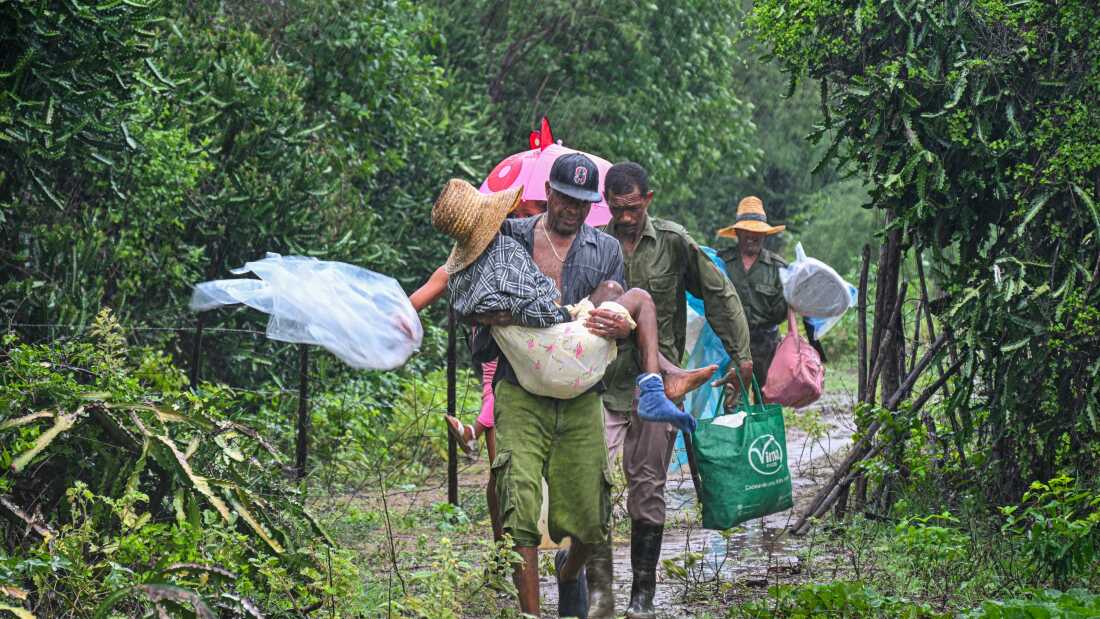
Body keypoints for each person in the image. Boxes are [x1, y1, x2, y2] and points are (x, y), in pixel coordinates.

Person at [457, 153, 623, 618]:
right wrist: (499, 316)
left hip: (580, 395)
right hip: (520, 392)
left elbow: (618, 317)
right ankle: (531, 613)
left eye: (584, 202)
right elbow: (467, 296)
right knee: (520, 506)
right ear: (547, 193)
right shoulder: (510, 237)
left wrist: (619, 328)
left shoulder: (605, 250)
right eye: (566, 198)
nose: (573, 209)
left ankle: (570, 571)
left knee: (591, 517)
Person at [598, 161, 754, 619]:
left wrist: (741, 356)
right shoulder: (595, 246)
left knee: (647, 488)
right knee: (592, 485)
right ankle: (596, 589)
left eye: (632, 207)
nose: (625, 217)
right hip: (602, 386)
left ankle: (640, 596)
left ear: (648, 199)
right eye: (616, 209)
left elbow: (718, 293)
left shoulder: (672, 243)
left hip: (658, 388)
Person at [716, 196, 789, 388]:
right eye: (747, 231)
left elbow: (786, 309)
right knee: (732, 400)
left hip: (766, 346)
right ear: (738, 233)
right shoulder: (720, 263)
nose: (752, 236)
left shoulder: (778, 268)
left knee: (765, 401)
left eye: (757, 232)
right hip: (730, 346)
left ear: (764, 235)